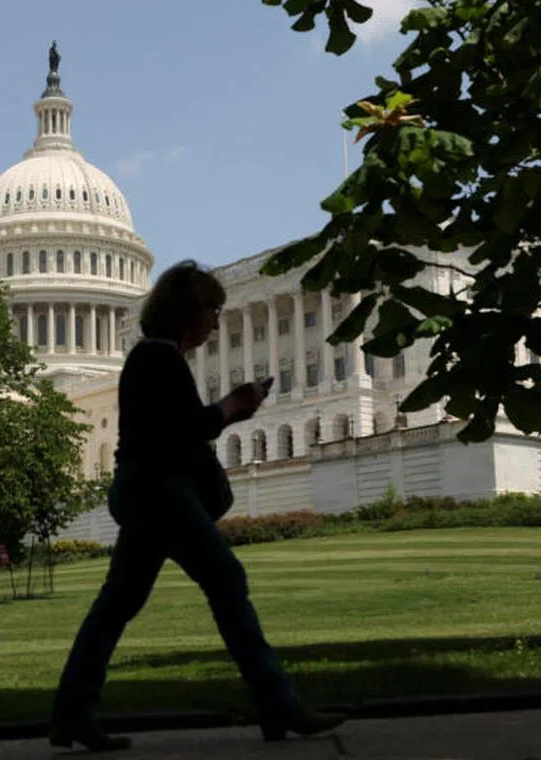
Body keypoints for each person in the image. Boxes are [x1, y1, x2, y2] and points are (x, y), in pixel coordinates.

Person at [49, 260, 347, 752]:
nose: (214, 320)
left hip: (146, 492)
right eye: (211, 309)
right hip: (156, 492)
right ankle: (277, 703)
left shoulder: (153, 358)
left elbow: (171, 431)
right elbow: (186, 430)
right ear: (188, 311)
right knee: (226, 580)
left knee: (116, 605)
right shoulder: (159, 359)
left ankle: (71, 715)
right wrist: (231, 407)